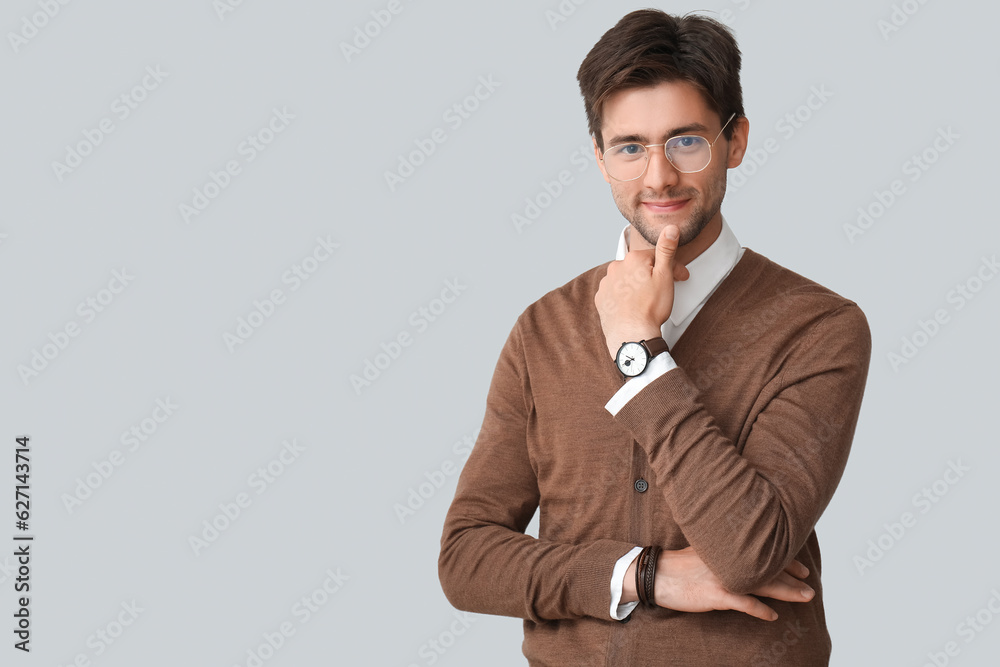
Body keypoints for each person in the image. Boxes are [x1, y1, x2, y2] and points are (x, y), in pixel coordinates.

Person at [438, 9, 871, 665]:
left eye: (686, 141)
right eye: (630, 147)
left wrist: (637, 351)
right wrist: (645, 575)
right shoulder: (542, 329)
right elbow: (466, 557)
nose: (659, 176)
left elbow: (747, 551)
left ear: (737, 141)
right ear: (598, 156)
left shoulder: (817, 327)